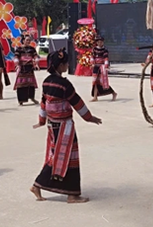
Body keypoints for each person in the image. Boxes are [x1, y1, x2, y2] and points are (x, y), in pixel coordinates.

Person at [31, 49, 102, 203]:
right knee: (67, 158)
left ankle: (65, 191)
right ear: (61, 65)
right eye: (66, 63)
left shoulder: (47, 81)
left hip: (52, 126)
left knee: (58, 157)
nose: (67, 65)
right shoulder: (64, 84)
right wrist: (90, 118)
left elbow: (44, 103)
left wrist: (42, 121)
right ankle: (67, 193)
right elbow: (77, 102)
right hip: (64, 128)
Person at [14, 36, 39, 106]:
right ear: (23, 41)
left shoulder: (32, 49)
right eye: (27, 40)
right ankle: (21, 100)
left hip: (30, 68)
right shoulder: (19, 49)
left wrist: (36, 62)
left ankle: (32, 97)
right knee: (21, 85)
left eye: (29, 40)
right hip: (22, 68)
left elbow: (35, 56)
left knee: (31, 84)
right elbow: (16, 57)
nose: (28, 41)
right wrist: (17, 64)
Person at [89, 36, 116, 101]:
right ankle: (95, 97)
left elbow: (106, 58)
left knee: (103, 82)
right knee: (95, 82)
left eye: (101, 41)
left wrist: (106, 66)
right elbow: (92, 57)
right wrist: (92, 63)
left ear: (103, 42)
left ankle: (113, 93)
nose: (99, 43)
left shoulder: (105, 50)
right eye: (98, 41)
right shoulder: (94, 49)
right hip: (95, 67)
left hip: (102, 68)